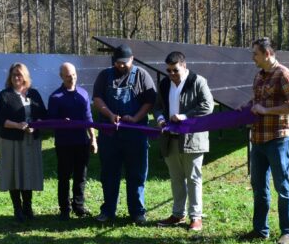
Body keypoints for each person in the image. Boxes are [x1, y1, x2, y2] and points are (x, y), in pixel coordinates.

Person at [242, 37, 289, 244]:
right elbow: (257, 102)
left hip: (278, 138)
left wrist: (266, 111)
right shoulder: (259, 76)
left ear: (267, 54)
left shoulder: (284, 74)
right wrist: (246, 107)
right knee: (259, 186)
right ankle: (260, 230)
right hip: (258, 139)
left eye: (255, 54)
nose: (253, 58)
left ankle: (287, 232)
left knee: (282, 185)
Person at [92, 44, 157, 224]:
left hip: (135, 136)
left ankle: (137, 212)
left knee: (136, 174)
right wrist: (110, 115)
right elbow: (97, 99)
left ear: (132, 59)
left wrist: (136, 118)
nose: (121, 66)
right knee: (109, 174)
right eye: (117, 63)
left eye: (124, 63)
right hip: (110, 135)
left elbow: (150, 101)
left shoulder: (142, 76)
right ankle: (108, 211)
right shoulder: (104, 76)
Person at [154, 51, 214, 231]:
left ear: (184, 66)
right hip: (170, 139)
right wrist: (160, 120)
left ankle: (196, 217)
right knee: (176, 178)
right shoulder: (165, 84)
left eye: (175, 70)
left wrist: (184, 116)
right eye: (169, 71)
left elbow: (207, 106)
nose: (172, 74)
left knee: (194, 178)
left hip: (192, 139)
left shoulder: (198, 81)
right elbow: (157, 107)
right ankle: (178, 214)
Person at [0, 62, 47, 222]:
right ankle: (17, 209)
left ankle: (28, 207)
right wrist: (18, 126)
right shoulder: (5, 95)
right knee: (14, 174)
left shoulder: (34, 94)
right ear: (10, 77)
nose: (17, 77)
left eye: (19, 74)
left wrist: (34, 125)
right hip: (11, 141)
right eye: (14, 74)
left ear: (25, 76)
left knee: (27, 173)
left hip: (31, 140)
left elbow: (43, 114)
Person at [47, 62, 97, 221]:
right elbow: (50, 122)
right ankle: (64, 209)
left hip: (81, 142)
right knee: (64, 177)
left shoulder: (83, 94)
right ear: (61, 76)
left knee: (81, 176)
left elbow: (89, 119)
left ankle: (79, 206)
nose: (72, 78)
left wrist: (93, 139)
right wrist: (62, 121)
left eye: (74, 75)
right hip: (64, 143)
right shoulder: (55, 97)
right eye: (68, 76)